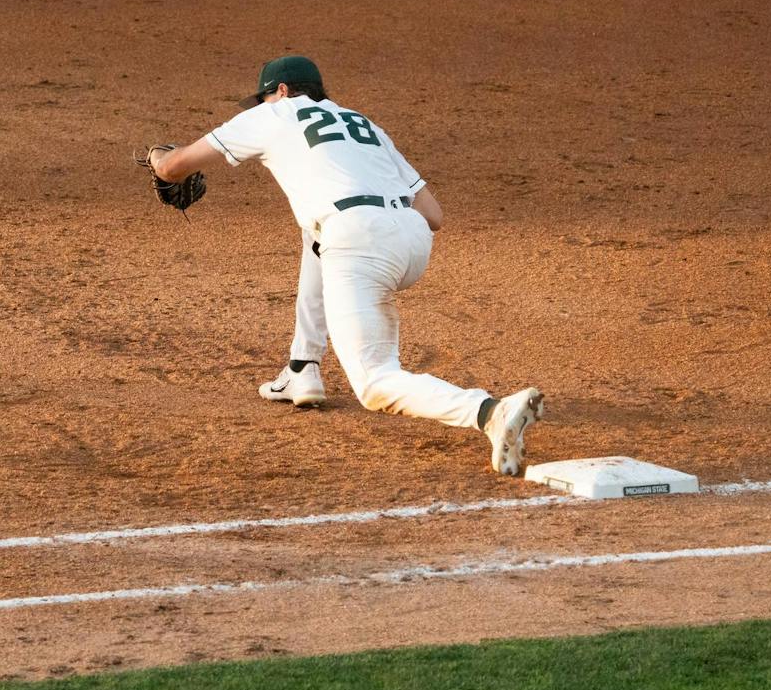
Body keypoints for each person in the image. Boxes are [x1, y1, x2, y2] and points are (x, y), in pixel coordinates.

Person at [148, 55, 545, 475]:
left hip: (359, 244)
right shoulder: (364, 125)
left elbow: (173, 167)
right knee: (316, 227)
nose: (263, 104)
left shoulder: (275, 114)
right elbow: (434, 215)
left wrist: (157, 158)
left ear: (281, 91)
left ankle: (488, 412)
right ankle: (303, 367)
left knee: (374, 382)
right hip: (411, 240)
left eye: (264, 97)